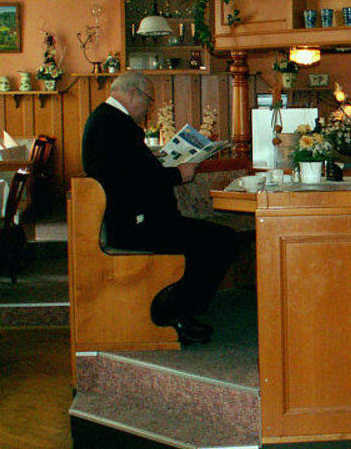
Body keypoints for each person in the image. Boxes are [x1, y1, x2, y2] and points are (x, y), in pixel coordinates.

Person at [82, 71, 237, 345]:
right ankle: (177, 315)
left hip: (133, 220)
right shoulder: (115, 124)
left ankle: (181, 311)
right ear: (134, 94)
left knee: (214, 239)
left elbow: (130, 170)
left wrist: (159, 163)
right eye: (148, 101)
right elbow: (132, 181)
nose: (148, 108)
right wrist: (178, 175)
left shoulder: (106, 120)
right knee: (222, 240)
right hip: (135, 226)